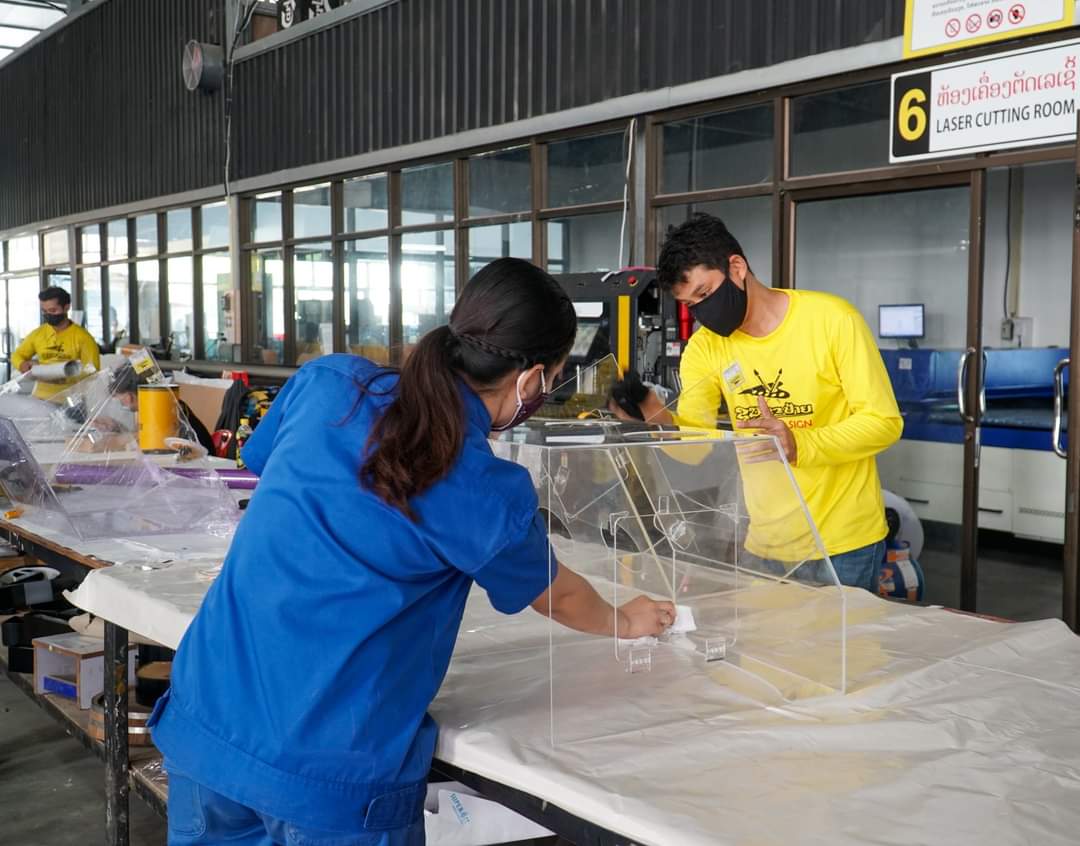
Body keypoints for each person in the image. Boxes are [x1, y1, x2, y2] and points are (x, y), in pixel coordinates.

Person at [148, 258, 675, 845]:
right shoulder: (479, 484)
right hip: (328, 768)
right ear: (530, 381)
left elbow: (267, 466)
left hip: (210, 722)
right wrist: (626, 619)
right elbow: (558, 594)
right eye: (551, 379)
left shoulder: (330, 383)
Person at [617, 214, 903, 592]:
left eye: (704, 293)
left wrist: (801, 443)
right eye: (690, 304)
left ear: (736, 267)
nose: (702, 312)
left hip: (843, 544)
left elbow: (884, 422)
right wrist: (656, 418)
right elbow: (696, 445)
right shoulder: (705, 347)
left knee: (839, 635)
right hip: (764, 544)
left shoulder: (833, 320)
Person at [11, 286, 101, 401]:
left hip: (71, 400)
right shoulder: (38, 334)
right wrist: (21, 364)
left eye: (53, 310)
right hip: (40, 398)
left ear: (66, 307)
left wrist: (68, 377)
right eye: (44, 311)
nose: (48, 314)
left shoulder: (83, 338)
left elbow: (92, 369)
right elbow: (17, 355)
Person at [98, 367, 216, 454]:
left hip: (197, 466)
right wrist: (116, 428)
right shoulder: (158, 404)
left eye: (118, 397)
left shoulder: (163, 409)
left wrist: (114, 441)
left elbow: (148, 440)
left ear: (129, 396)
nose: (119, 402)